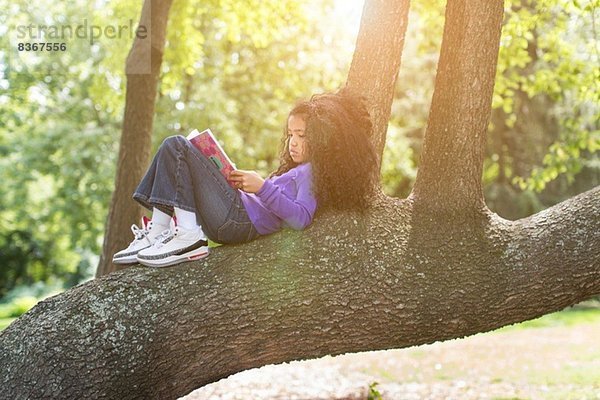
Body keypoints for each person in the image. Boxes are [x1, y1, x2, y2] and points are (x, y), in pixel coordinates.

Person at [112, 87, 378, 267]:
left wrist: (261, 187)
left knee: (177, 146)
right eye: (290, 135)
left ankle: (186, 235)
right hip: (234, 214)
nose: (293, 143)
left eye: (302, 136)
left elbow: (300, 218)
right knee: (181, 152)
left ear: (322, 140)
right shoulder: (296, 171)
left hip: (238, 220)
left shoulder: (311, 173)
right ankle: (158, 233)